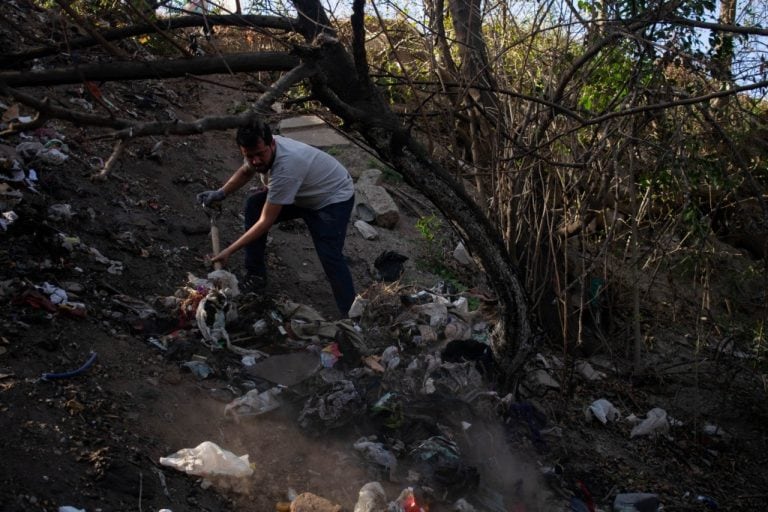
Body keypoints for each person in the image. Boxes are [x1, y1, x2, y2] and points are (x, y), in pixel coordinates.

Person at [197, 118, 356, 317]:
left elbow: (265, 222)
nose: (255, 161)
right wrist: (221, 193)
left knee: (330, 255)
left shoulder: (287, 168)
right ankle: (256, 275)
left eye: (260, 155)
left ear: (272, 144)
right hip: (303, 191)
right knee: (254, 205)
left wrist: (229, 251)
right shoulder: (259, 149)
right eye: (249, 155)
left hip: (331, 198)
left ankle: (352, 316)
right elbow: (247, 171)